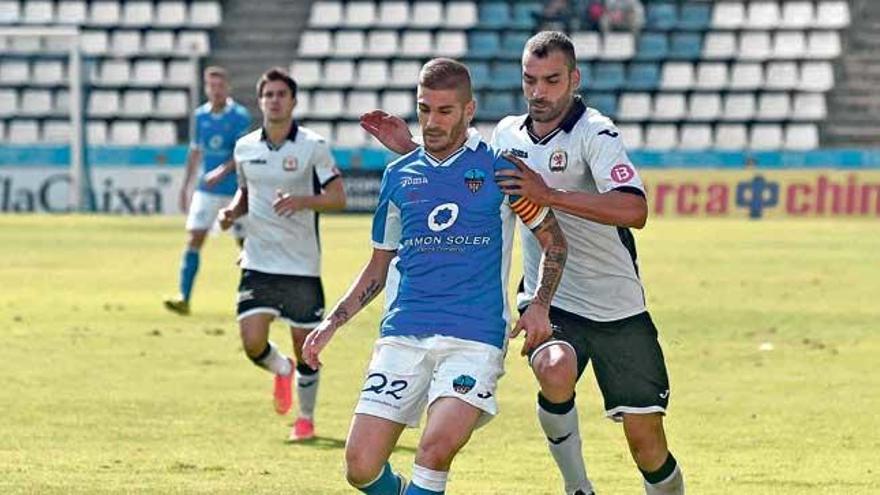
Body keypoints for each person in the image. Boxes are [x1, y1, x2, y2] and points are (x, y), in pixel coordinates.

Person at [361, 32, 684, 495]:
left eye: (551, 80)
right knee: (553, 367)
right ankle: (578, 487)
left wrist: (548, 193)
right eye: (530, 80)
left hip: (617, 305)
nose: (538, 92)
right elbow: (465, 171)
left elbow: (635, 210)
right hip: (550, 299)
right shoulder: (508, 134)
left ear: (574, 79)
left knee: (646, 445)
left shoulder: (596, 132)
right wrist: (412, 148)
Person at [302, 58, 568, 495]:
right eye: (425, 109)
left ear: (468, 110)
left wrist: (539, 304)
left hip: (474, 338)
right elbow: (379, 264)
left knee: (435, 447)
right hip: (403, 333)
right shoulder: (399, 175)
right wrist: (332, 324)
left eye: (445, 111)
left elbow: (554, 241)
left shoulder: (501, 171)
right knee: (360, 466)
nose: (432, 121)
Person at [218, 67, 346, 442]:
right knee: (252, 343)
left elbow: (338, 198)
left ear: (292, 101)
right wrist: (230, 212)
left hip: (301, 264)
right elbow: (246, 194)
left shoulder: (313, 146)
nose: (274, 100)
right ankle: (281, 369)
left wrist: (302, 201)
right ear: (260, 101)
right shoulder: (244, 148)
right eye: (268, 94)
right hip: (257, 261)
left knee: (306, 348)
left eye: (280, 94)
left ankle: (305, 419)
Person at [164, 66, 252, 316]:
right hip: (206, 190)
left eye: (220, 86)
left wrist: (221, 172)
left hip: (235, 189)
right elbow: (195, 151)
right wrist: (185, 185)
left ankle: (253, 299)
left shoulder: (239, 116)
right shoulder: (200, 116)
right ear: (206, 88)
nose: (215, 91)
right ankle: (184, 297)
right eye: (211, 86)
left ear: (228, 88)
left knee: (246, 244)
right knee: (194, 238)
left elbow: (240, 152)